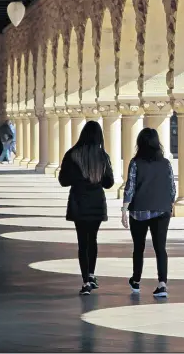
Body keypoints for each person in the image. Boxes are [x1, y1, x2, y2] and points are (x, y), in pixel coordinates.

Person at [58, 121, 114, 296]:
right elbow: (109, 183)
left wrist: (79, 179)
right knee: (93, 240)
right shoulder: (102, 156)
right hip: (96, 202)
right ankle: (91, 274)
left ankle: (85, 281)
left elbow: (63, 181)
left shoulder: (72, 154)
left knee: (82, 242)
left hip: (78, 202)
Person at [121, 127, 176, 298]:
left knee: (139, 247)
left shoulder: (136, 162)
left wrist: (124, 210)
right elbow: (172, 188)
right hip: (161, 210)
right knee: (161, 248)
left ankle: (136, 281)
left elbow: (130, 187)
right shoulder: (165, 163)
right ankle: (162, 284)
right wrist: (169, 204)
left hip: (139, 210)